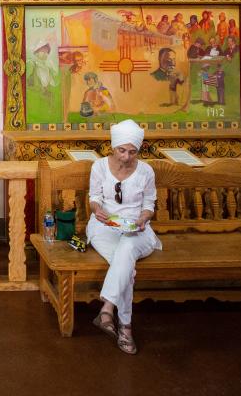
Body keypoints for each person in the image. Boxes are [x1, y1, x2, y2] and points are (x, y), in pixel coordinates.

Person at [87, 120, 161, 355]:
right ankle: (125, 327)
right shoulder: (99, 166)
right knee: (126, 267)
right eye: (122, 150)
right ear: (112, 146)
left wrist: (143, 218)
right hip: (104, 226)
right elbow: (94, 196)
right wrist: (96, 208)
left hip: (136, 229)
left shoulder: (146, 171)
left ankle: (107, 310)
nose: (127, 156)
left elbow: (149, 204)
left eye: (132, 151)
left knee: (127, 249)